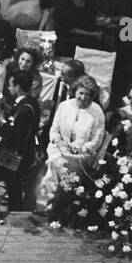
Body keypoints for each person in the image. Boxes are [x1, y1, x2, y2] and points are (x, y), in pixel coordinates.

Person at [0, 68, 40, 213]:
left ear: (17, 87)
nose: (9, 88)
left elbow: (15, 134)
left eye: (11, 85)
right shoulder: (29, 103)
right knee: (13, 188)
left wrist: (1, 119)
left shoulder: (26, 108)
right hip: (21, 156)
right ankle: (16, 215)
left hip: (13, 158)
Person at [37, 74, 106, 207]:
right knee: (56, 163)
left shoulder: (97, 111)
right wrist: (61, 144)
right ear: (75, 91)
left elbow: (97, 139)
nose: (83, 97)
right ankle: (48, 203)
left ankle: (61, 205)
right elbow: (54, 130)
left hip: (83, 154)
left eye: (87, 94)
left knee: (69, 170)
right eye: (81, 93)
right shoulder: (64, 106)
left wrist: (81, 148)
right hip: (59, 149)